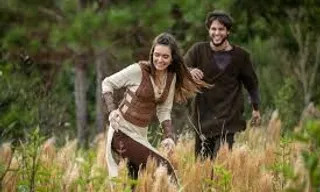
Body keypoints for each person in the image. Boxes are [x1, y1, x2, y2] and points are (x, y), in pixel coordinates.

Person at [102, 32, 206, 184]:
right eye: (156, 55)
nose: (160, 59)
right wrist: (112, 110)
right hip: (121, 132)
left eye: (165, 56)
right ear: (151, 54)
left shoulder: (171, 78)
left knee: (135, 182)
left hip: (140, 136)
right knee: (165, 168)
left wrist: (169, 136)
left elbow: (164, 110)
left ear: (172, 59)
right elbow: (107, 83)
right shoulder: (137, 70)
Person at [184, 10, 261, 159]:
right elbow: (179, 67)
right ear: (208, 30)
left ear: (228, 31)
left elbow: (252, 83)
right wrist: (190, 71)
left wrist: (256, 109)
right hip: (204, 118)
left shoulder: (241, 56)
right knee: (202, 166)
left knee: (222, 163)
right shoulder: (198, 50)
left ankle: (220, 183)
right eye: (213, 29)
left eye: (221, 29)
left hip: (229, 117)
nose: (217, 33)